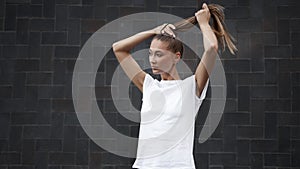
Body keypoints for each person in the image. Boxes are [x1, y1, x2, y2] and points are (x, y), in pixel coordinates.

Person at [112, 3, 237, 169]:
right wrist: (153, 31)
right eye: (150, 53)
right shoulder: (149, 86)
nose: (152, 60)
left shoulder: (192, 87)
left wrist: (203, 22)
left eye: (159, 54)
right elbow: (118, 49)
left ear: (176, 57)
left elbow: (212, 48)